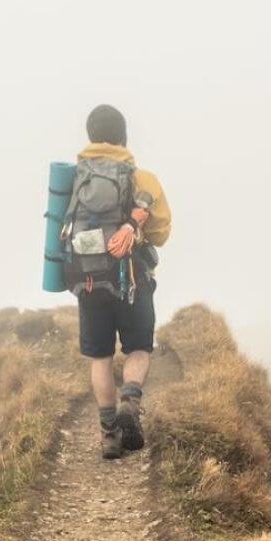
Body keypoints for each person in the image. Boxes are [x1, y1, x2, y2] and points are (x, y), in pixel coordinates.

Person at [66, 105, 171, 459]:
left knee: (99, 356)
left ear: (90, 137)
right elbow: (160, 232)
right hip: (131, 277)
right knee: (138, 348)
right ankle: (130, 401)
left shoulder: (73, 179)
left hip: (88, 280)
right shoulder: (143, 179)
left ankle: (109, 435)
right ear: (124, 137)